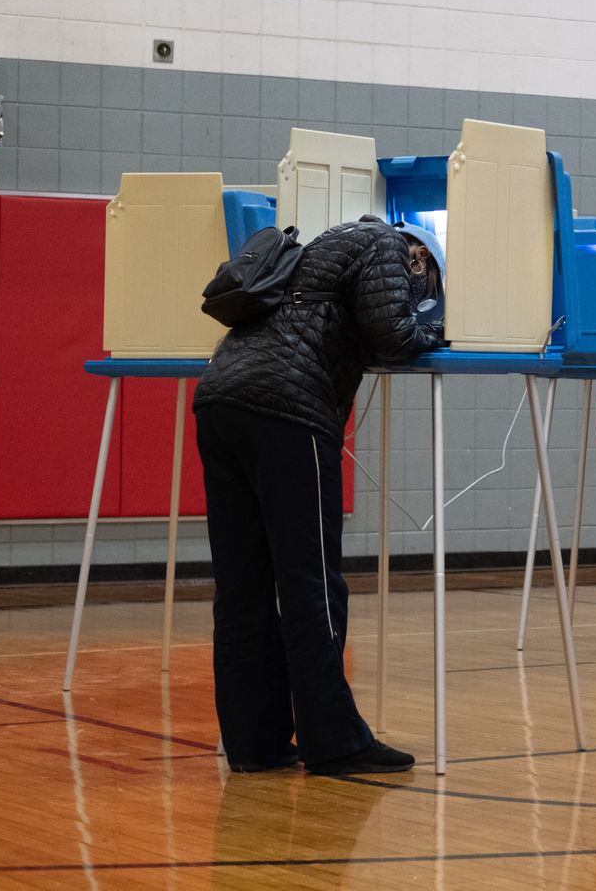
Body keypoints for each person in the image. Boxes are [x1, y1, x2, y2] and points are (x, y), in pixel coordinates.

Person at [193, 215, 443, 775]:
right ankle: (335, 741)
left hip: (219, 400)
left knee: (242, 585)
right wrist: (435, 332)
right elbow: (396, 335)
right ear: (419, 258)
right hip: (287, 412)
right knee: (311, 582)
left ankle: (253, 743)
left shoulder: (313, 254)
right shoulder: (384, 242)